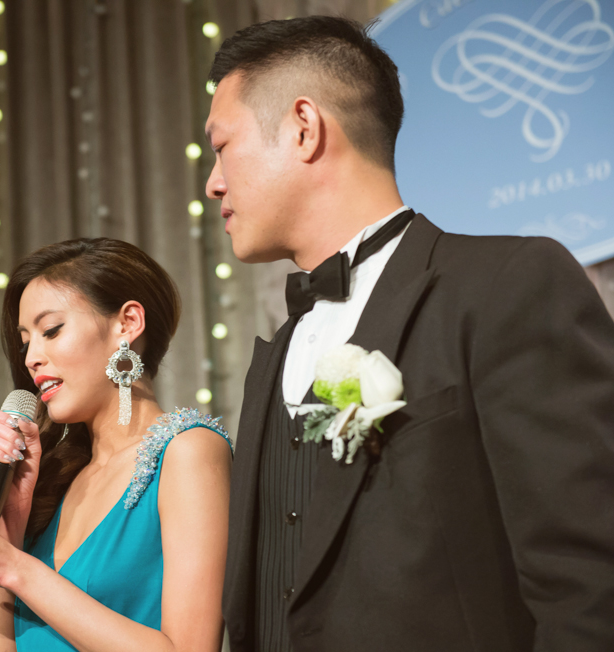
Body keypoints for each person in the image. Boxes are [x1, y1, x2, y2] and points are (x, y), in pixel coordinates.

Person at [205, 15, 614, 652]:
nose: (213, 183)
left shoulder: (507, 284)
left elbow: (589, 584)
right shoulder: (277, 353)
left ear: (304, 128)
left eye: (222, 146)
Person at [0, 238, 233, 651]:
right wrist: (9, 530)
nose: (31, 357)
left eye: (51, 330)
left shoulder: (189, 451)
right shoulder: (57, 479)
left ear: (127, 323)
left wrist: (12, 566)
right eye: (26, 341)